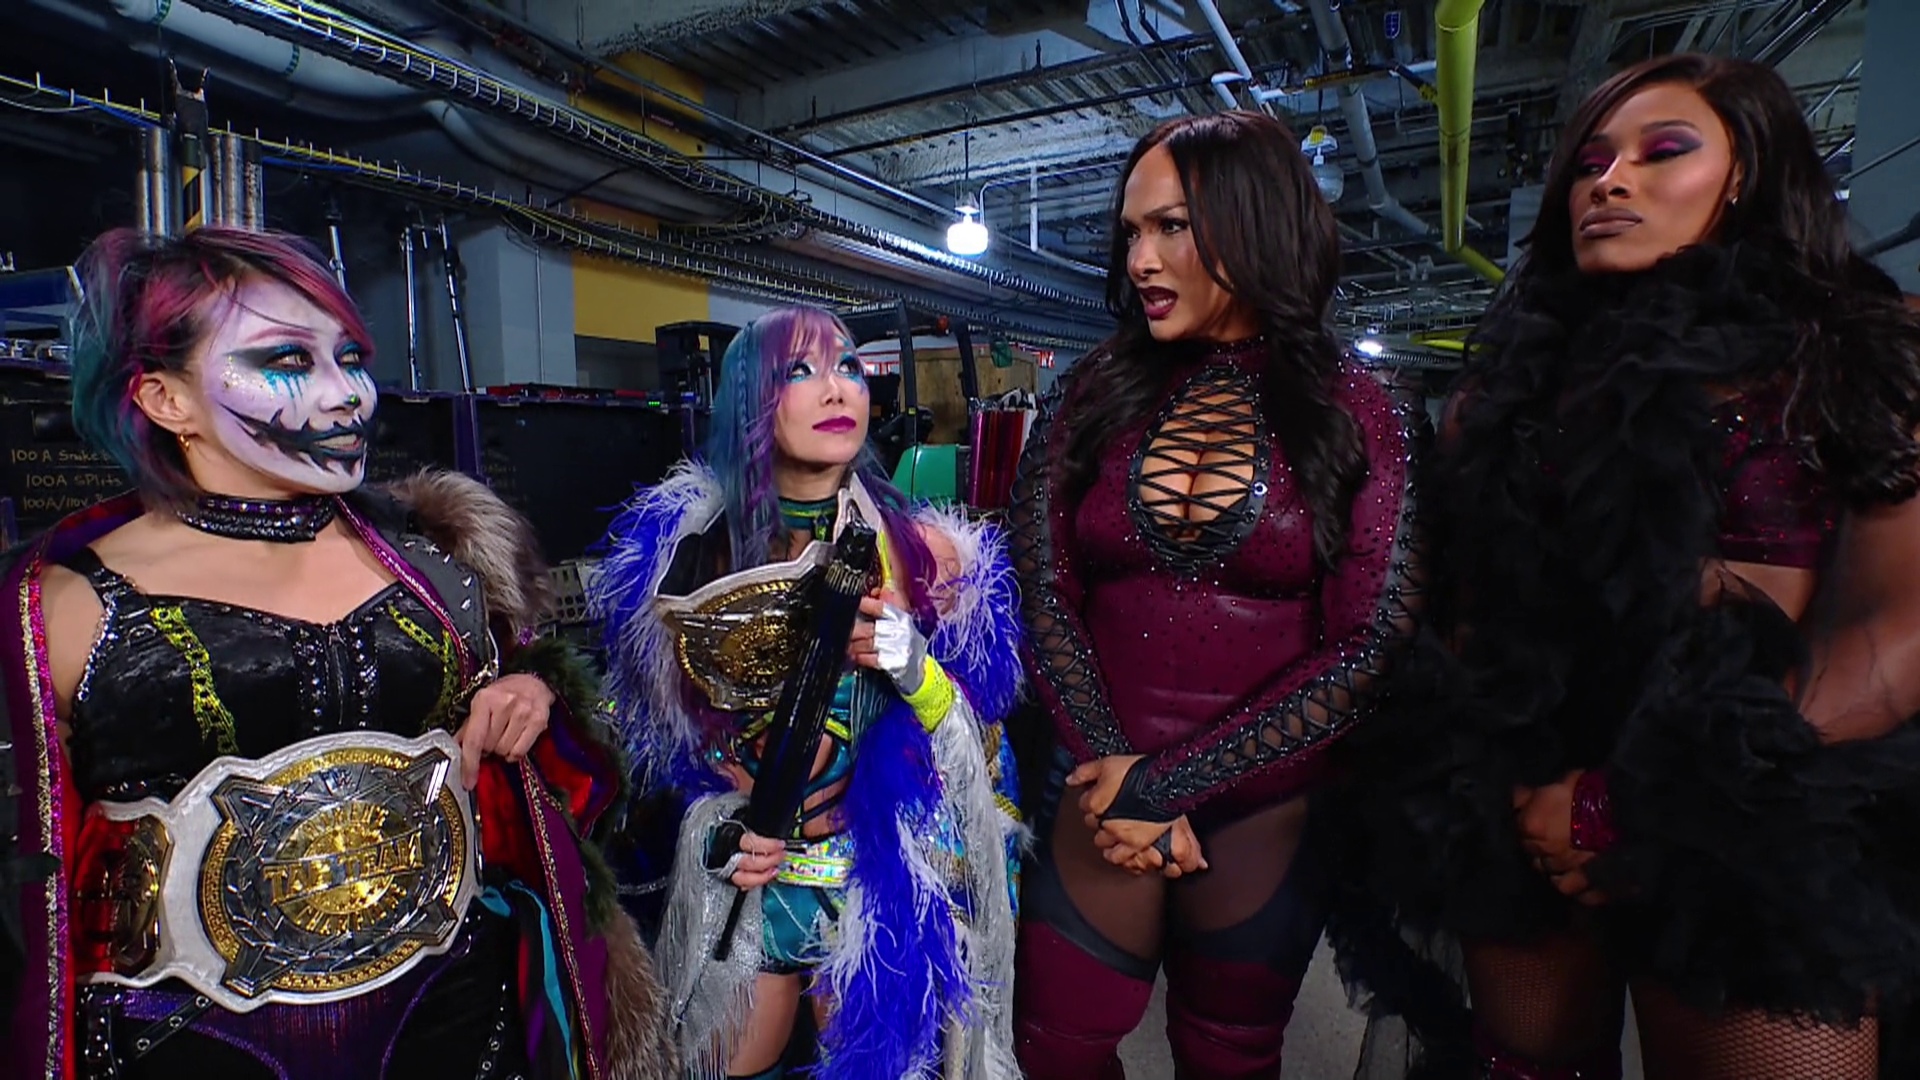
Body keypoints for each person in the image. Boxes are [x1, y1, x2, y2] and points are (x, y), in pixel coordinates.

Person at [1346, 54, 1920, 1079]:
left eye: (1665, 152)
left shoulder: (1855, 353)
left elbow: (1894, 631)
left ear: (1744, 174)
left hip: (1754, 820)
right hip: (1528, 810)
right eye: (1591, 163)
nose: (1611, 181)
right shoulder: (1505, 393)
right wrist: (1514, 785)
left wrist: (1635, 802)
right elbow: (1472, 618)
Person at [0, 226, 673, 1080]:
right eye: (289, 360)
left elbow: (546, 745)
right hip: (190, 1045)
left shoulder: (437, 562)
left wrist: (529, 700)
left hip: (461, 1014)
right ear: (165, 398)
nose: (348, 394)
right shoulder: (58, 606)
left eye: (350, 358)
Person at [1004, 109, 1425, 1079]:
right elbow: (1043, 588)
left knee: (1228, 1055)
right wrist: (1118, 775)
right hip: (1098, 776)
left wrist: (1165, 787)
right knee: (1055, 1048)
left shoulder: (1364, 408)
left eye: (1171, 227)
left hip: (1265, 799)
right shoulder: (1089, 391)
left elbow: (1372, 644)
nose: (1140, 260)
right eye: (1131, 232)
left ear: (1257, 220)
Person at [591, 305, 1024, 1080]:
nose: (837, 389)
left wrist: (917, 673)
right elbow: (655, 747)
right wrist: (718, 821)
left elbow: (981, 752)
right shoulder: (687, 557)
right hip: (752, 883)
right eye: (801, 371)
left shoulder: (928, 559)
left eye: (848, 367)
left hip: (875, 882)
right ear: (751, 400)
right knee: (719, 1062)